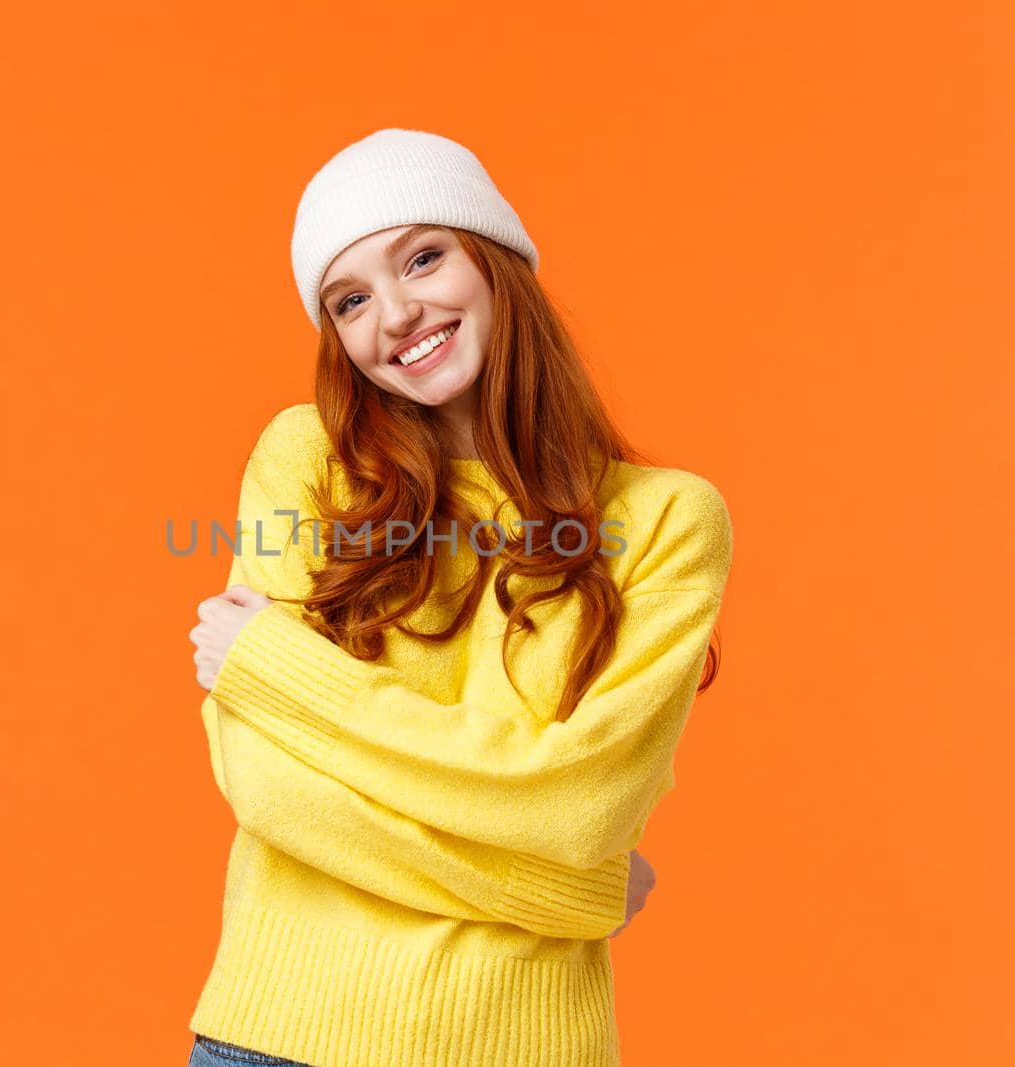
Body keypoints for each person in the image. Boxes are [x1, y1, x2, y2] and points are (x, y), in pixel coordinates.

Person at [184, 128, 733, 1067]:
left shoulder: (667, 521)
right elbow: (269, 784)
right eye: (350, 300)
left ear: (497, 263)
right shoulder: (307, 462)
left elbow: (577, 808)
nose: (394, 314)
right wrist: (578, 893)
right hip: (274, 1039)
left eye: (424, 257)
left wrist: (276, 671)